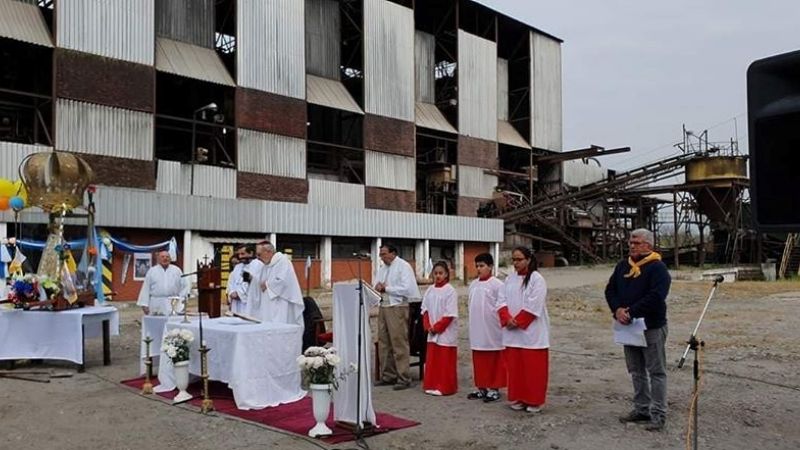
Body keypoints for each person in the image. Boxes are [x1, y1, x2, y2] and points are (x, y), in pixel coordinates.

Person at [606, 228, 671, 432]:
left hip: (650, 326)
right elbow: (610, 289)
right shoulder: (623, 266)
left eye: (637, 242)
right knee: (636, 370)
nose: (632, 245)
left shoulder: (657, 268)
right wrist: (617, 310)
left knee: (656, 371)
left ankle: (658, 413)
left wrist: (631, 311)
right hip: (628, 327)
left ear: (648, 245)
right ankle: (641, 408)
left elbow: (656, 296)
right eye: (631, 242)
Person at [498, 246, 550, 413]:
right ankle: (518, 397)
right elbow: (501, 301)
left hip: (531, 333)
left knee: (533, 369)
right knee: (515, 368)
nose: (515, 263)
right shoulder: (509, 279)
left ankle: (534, 400)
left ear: (528, 259)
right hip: (512, 332)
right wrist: (507, 318)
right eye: (513, 259)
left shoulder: (537, 279)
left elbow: (534, 304)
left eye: (519, 259)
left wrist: (518, 321)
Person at [374, 243, 421, 390]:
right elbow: (377, 284)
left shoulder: (403, 266)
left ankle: (403, 377)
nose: (382, 257)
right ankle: (388, 375)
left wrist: (387, 288)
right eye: (380, 254)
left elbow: (407, 288)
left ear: (393, 253)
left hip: (398, 306)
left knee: (398, 342)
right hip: (383, 306)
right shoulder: (382, 269)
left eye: (384, 254)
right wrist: (377, 287)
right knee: (384, 342)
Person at [467, 252, 506, 403]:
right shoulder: (473, 284)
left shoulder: (498, 285)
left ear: (490, 267)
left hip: (492, 328)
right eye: (477, 266)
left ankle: (494, 388)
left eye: (482, 266)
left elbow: (502, 304)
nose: (479, 269)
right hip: (477, 327)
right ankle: (481, 386)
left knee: (494, 358)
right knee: (479, 358)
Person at [421, 261, 458, 396]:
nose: (438, 276)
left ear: (446, 274)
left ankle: (445, 387)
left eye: (440, 273)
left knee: (444, 360)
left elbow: (450, 314)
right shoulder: (430, 290)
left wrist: (437, 327)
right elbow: (424, 310)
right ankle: (431, 384)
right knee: (433, 359)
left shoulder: (450, 291)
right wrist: (428, 326)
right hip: (431, 330)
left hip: (445, 331)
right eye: (435, 273)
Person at [256, 241, 305, 327]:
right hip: (268, 305)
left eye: (259, 254)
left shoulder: (283, 261)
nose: (258, 258)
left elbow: (282, 282)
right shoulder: (265, 265)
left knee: (280, 327)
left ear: (268, 252)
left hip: (281, 303)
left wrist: (267, 284)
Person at [136, 250, 189, 315]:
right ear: (158, 259)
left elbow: (185, 286)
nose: (165, 258)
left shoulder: (177, 270)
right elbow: (146, 288)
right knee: (157, 323)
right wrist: (144, 304)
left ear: (170, 259)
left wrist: (180, 300)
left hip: (173, 303)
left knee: (172, 323)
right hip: (156, 303)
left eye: (167, 257)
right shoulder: (152, 271)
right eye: (162, 257)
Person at [237, 244, 263, 318]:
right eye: (239, 254)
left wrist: (239, 293)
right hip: (238, 303)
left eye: (242, 254)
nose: (240, 257)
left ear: (251, 253)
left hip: (252, 302)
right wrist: (231, 292)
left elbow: (258, 283)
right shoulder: (238, 267)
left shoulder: (259, 265)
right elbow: (232, 282)